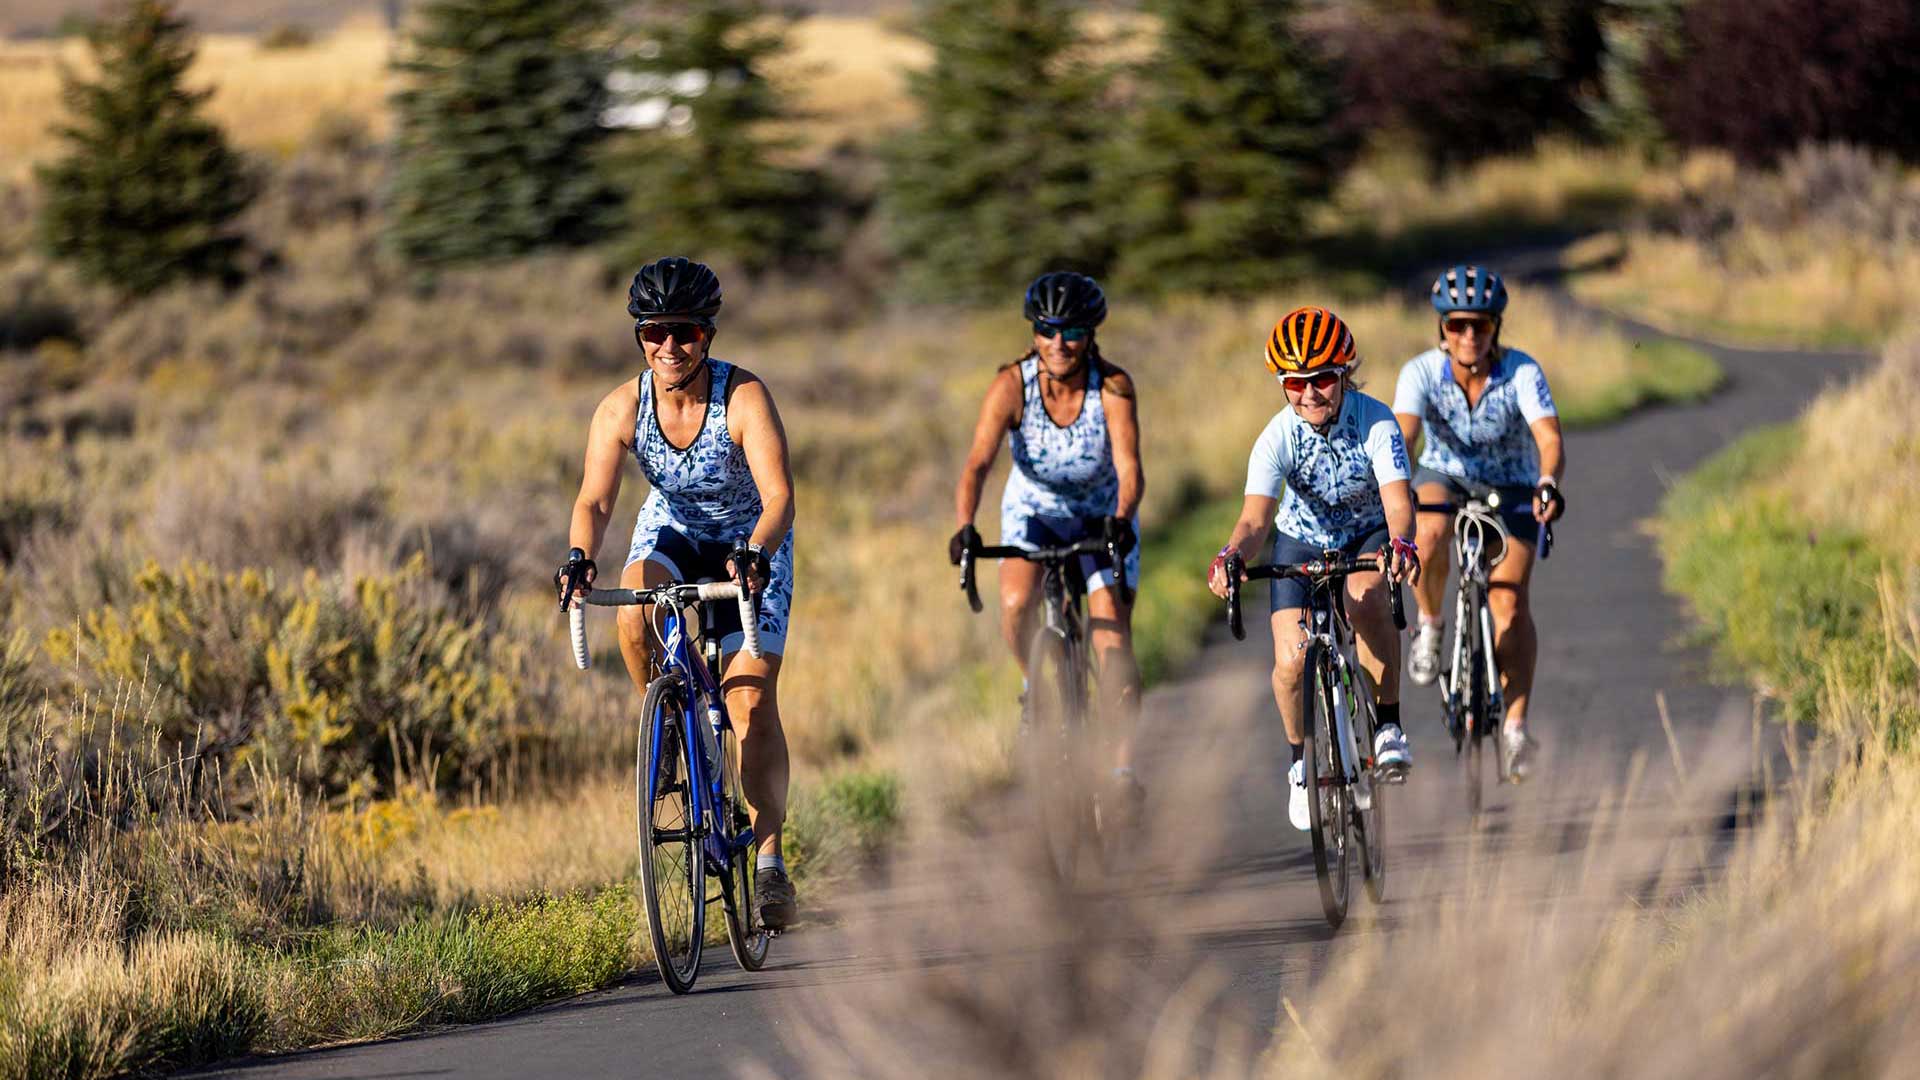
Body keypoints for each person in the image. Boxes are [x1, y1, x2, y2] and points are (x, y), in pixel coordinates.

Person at [556, 256, 800, 929]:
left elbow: (779, 494)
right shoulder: (621, 407)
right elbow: (596, 500)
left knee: (749, 704)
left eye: (684, 332)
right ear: (639, 336)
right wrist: (579, 557)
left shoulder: (743, 397)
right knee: (635, 610)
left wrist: (755, 553)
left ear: (708, 334)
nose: (669, 346)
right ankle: (667, 724)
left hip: (752, 541)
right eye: (654, 332)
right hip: (672, 532)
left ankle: (771, 859)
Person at [1207, 306, 1421, 831]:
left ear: (1344, 374)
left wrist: (1400, 543)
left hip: (1369, 532)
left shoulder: (1376, 420)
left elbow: (1398, 500)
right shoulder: (1276, 436)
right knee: (1290, 659)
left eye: (1322, 379)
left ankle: (1388, 725)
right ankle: (1300, 765)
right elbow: (1255, 519)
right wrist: (1232, 555)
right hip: (1301, 541)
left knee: (1365, 600)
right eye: (1295, 382)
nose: (1310, 393)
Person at [949, 271, 1146, 811]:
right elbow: (977, 464)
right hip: (1033, 511)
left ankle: (1122, 770)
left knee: (1112, 646)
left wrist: (1122, 517)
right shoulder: (1012, 385)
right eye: (1048, 330)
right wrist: (966, 526)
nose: (1059, 343)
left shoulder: (1112, 386)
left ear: (1091, 335)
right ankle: (1036, 684)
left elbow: (1130, 470)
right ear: (1035, 332)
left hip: (1101, 516)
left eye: (1073, 331)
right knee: (1015, 603)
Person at [1392, 265, 1566, 782]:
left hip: (1511, 484)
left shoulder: (1522, 373)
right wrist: (1392, 488)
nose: (1469, 336)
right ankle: (1430, 626)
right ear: (1442, 329)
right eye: (1457, 325)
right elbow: (1404, 437)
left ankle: (1515, 729)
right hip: (1444, 475)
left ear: (1496, 328)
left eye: (1481, 325)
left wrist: (1548, 482)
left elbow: (1549, 439)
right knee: (1426, 530)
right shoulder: (1420, 372)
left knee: (1509, 602)